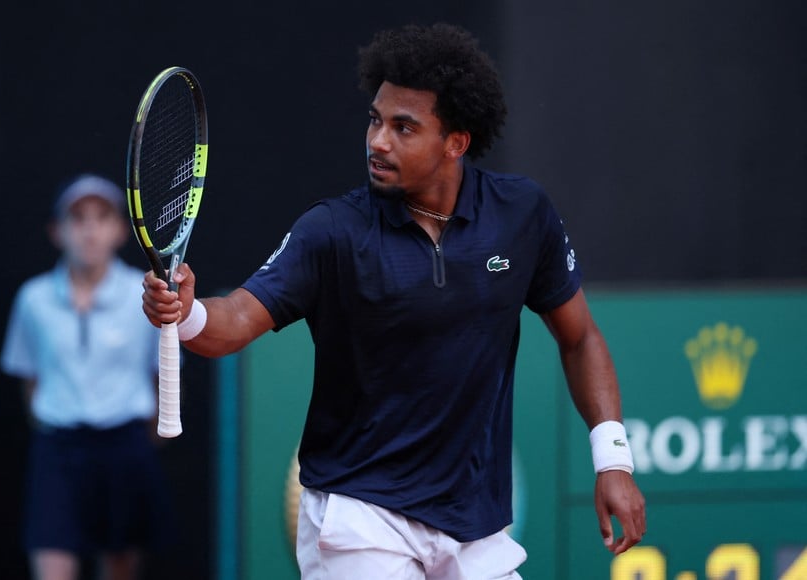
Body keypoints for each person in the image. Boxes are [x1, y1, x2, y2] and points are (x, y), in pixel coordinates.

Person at [142, 22, 645, 579]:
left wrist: (613, 460)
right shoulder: (331, 231)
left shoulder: (522, 215)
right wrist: (187, 313)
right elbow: (234, 321)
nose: (378, 141)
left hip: (475, 523)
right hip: (360, 516)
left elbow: (580, 338)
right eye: (376, 120)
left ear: (456, 142)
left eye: (404, 127)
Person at [0, 174, 173, 580]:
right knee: (52, 565)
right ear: (57, 232)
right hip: (58, 450)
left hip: (125, 447)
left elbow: (160, 374)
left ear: (118, 231)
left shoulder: (145, 294)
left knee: (119, 567)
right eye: (77, 219)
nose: (89, 230)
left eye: (101, 217)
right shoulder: (33, 300)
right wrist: (55, 421)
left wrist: (140, 436)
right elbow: (30, 379)